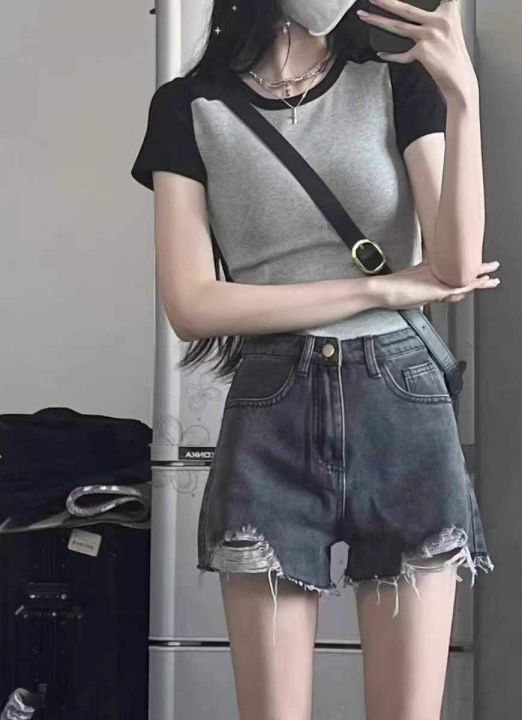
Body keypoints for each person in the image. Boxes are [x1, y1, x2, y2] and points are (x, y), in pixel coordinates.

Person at [131, 1, 498, 717]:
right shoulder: (189, 107)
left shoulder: (397, 80)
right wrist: (379, 288)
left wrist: (463, 97)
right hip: (273, 406)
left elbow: (455, 266)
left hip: (400, 401)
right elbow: (192, 305)